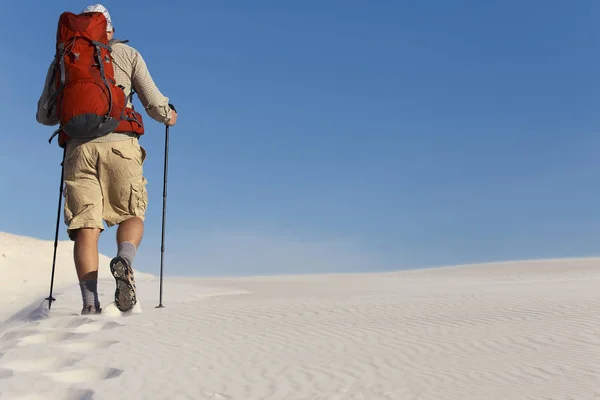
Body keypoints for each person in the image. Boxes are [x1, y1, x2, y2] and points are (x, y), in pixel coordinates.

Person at [36, 4, 178, 314]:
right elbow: (154, 104)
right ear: (108, 29)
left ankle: (90, 305)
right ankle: (124, 262)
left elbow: (44, 116)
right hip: (120, 146)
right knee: (131, 213)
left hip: (78, 151)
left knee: (85, 225)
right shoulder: (128, 55)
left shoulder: (63, 58)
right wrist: (169, 115)